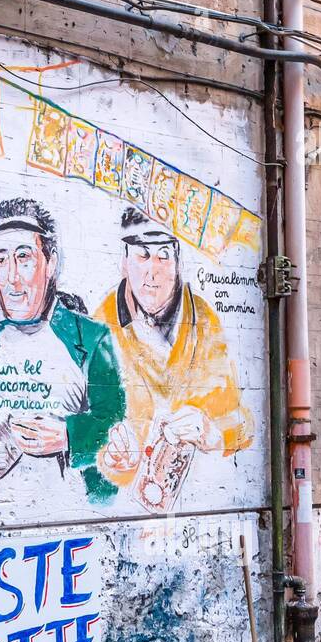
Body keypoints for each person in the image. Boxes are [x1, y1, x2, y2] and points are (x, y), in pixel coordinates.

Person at [0, 198, 125, 502]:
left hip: (70, 519)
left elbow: (117, 424)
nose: (11, 278)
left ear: (52, 263)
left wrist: (67, 436)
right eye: (2, 260)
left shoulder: (91, 339)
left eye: (24, 257)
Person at [93, 208, 254, 511]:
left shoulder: (204, 321)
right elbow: (87, 432)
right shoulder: (100, 327)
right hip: (127, 516)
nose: (152, 271)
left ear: (179, 263)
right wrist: (114, 457)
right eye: (142, 255)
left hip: (204, 513)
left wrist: (214, 433)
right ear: (124, 263)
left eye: (163, 255)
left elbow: (245, 422)